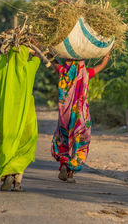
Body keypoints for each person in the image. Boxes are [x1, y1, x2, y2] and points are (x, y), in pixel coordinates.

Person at [51, 51, 111, 183]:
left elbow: (52, 61)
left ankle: (64, 164)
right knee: (79, 141)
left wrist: (48, 51)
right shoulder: (86, 73)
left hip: (64, 116)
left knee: (65, 139)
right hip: (80, 117)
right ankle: (71, 173)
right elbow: (102, 65)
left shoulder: (63, 72)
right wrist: (107, 53)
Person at [0, 40, 40, 191]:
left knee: (8, 143)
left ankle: (7, 173)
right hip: (25, 113)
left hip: (6, 114)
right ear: (25, 55)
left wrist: (3, 40)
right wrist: (34, 44)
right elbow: (39, 55)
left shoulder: (4, 65)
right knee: (25, 144)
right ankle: (17, 183)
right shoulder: (29, 67)